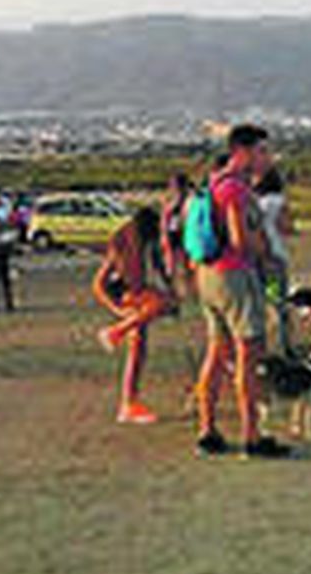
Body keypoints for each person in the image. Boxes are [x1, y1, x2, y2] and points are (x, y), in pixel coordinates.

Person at [190, 124, 291, 459]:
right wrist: (266, 255)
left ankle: (207, 430)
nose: (268, 158)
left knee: (216, 352)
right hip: (235, 275)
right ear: (242, 152)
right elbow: (239, 239)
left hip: (208, 274)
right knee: (248, 353)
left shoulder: (214, 182)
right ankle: (252, 435)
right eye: (262, 151)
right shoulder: (236, 189)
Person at [93, 207, 173, 425]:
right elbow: (98, 284)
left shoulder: (131, 242)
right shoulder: (125, 245)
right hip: (127, 295)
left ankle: (129, 403)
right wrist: (118, 312)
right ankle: (128, 403)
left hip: (132, 295)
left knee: (138, 350)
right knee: (139, 345)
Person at [255, 167, 294, 355]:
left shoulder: (255, 202)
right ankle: (281, 345)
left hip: (257, 259)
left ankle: (263, 346)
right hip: (275, 258)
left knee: (263, 302)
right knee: (278, 302)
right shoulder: (279, 201)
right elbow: (286, 227)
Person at [159, 172, 193, 297]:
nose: (173, 188)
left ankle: (183, 286)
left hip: (181, 232)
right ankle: (174, 285)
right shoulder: (172, 200)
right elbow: (165, 218)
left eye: (174, 185)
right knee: (172, 260)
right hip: (174, 232)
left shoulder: (186, 199)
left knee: (181, 260)